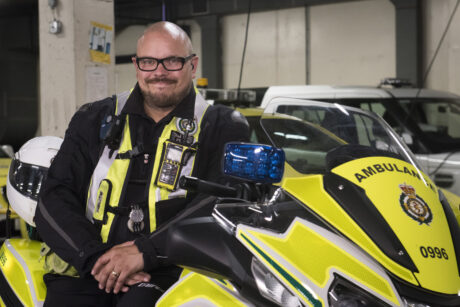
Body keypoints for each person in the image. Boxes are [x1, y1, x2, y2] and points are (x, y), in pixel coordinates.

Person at [35, 21, 249, 306]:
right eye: (149, 61)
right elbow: (53, 197)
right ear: (136, 65)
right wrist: (97, 259)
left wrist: (145, 252)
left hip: (168, 273)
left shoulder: (222, 125)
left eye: (172, 61)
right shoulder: (94, 117)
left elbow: (223, 203)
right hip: (87, 267)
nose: (159, 72)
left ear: (192, 65)